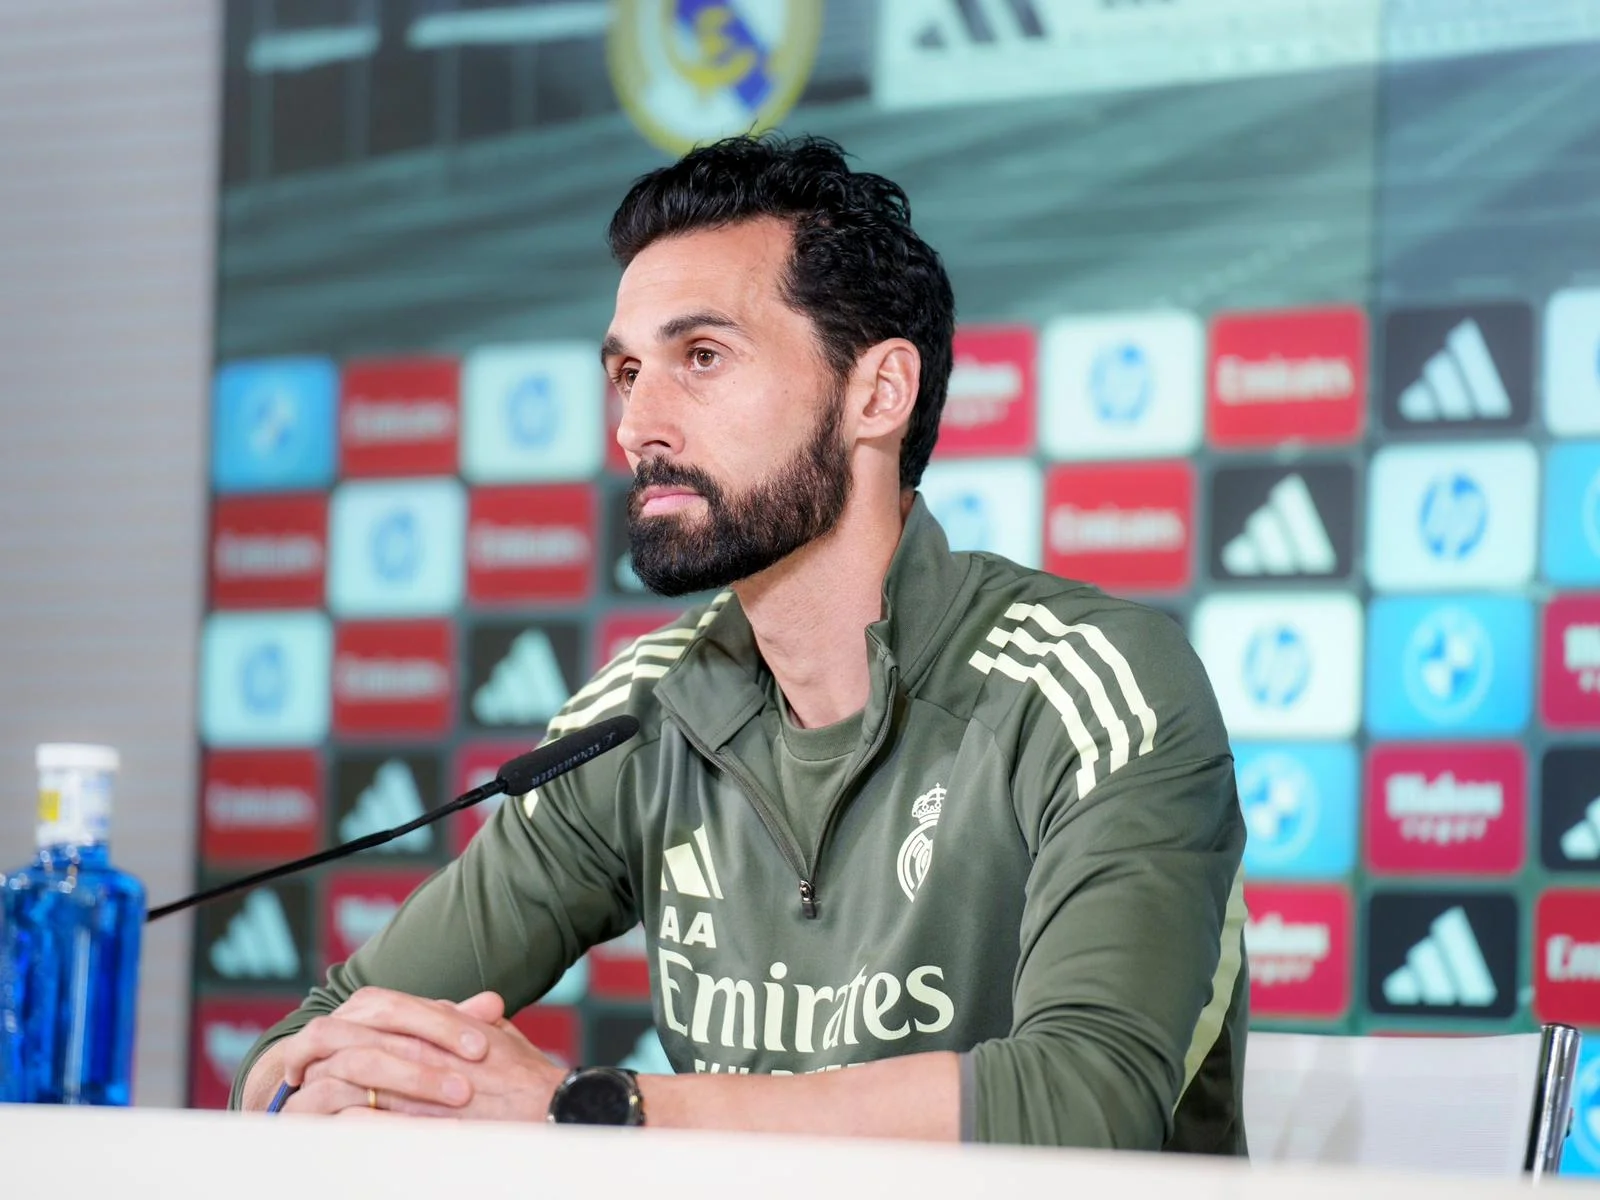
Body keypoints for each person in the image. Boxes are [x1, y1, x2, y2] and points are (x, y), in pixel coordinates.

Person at [231, 133, 1248, 1152]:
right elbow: (316, 1037)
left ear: (877, 393)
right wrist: (311, 1087)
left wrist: (587, 1107)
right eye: (627, 371)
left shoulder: (1091, 684)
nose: (638, 423)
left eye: (701, 357)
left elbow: (1084, 1101)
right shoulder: (637, 718)